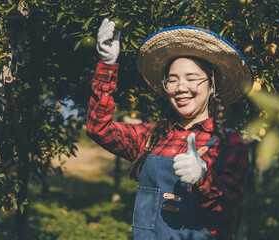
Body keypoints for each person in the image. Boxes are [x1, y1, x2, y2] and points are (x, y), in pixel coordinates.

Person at [86, 18, 253, 240]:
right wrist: (107, 65)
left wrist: (202, 179)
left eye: (191, 78)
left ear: (212, 87)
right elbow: (99, 127)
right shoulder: (152, 137)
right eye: (172, 80)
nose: (181, 87)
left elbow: (229, 215)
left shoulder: (229, 143)